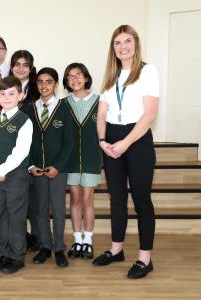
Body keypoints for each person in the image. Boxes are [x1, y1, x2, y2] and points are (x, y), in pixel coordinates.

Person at [92, 25, 159, 279]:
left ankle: (144, 258)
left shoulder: (147, 71)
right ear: (113, 48)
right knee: (117, 199)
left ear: (135, 43)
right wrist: (102, 140)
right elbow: (101, 113)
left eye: (127, 41)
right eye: (118, 43)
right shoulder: (111, 75)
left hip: (137, 139)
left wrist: (125, 142)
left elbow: (150, 114)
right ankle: (116, 249)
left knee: (142, 200)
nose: (123, 46)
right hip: (111, 139)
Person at [0, 76, 33, 274]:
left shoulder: (24, 121)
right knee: (1, 215)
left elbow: (20, 151)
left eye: (12, 93)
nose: (7, 97)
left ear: (20, 95)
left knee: (16, 216)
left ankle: (17, 256)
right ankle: (5, 252)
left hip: (15, 177)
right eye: (2, 93)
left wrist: (1, 170)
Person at [23, 67, 74, 267]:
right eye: (40, 82)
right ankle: (45, 246)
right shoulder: (28, 109)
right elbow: (23, 142)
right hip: (37, 170)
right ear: (36, 85)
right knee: (40, 209)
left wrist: (58, 167)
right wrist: (30, 165)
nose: (44, 86)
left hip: (57, 171)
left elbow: (69, 142)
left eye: (49, 81)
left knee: (59, 210)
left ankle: (59, 248)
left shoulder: (64, 108)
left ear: (56, 85)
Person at [63, 63, 102, 260]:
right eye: (70, 77)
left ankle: (88, 240)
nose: (75, 79)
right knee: (75, 199)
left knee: (88, 199)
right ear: (67, 82)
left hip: (91, 158)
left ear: (86, 78)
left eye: (78, 75)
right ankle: (77, 239)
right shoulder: (63, 104)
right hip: (70, 161)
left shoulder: (100, 101)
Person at [10, 50, 40, 250]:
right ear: (11, 67)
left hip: (35, 151)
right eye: (17, 64)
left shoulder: (39, 89)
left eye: (25, 65)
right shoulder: (5, 88)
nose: (21, 68)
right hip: (11, 153)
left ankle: (37, 237)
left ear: (31, 68)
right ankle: (19, 237)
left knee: (35, 200)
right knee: (16, 200)